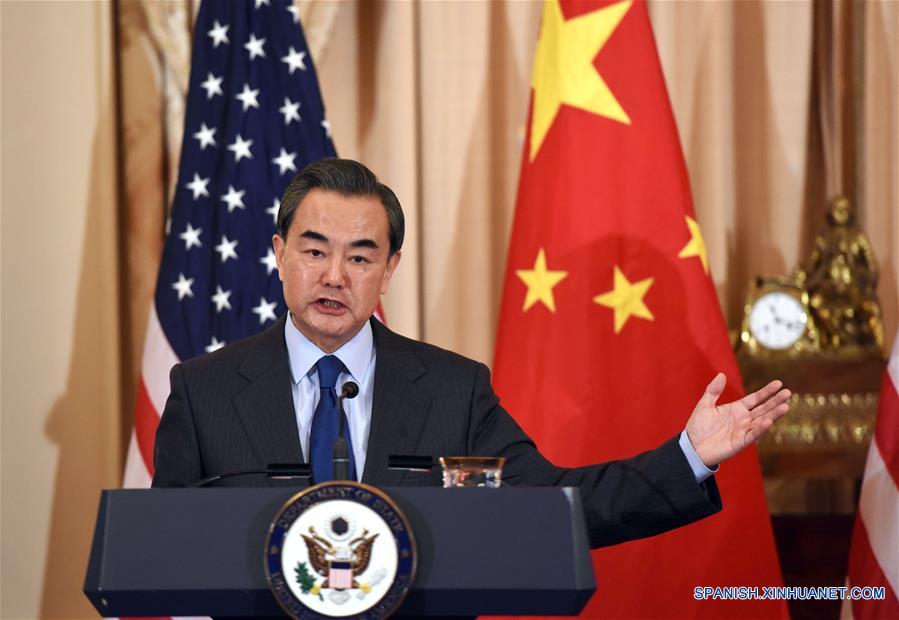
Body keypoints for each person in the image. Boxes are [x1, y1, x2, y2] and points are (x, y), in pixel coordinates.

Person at [153, 158, 790, 548]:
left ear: (390, 268)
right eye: (314, 251)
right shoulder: (203, 391)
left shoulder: (455, 390)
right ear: (279, 255)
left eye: (361, 256)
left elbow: (554, 507)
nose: (334, 276)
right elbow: (164, 553)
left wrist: (690, 457)